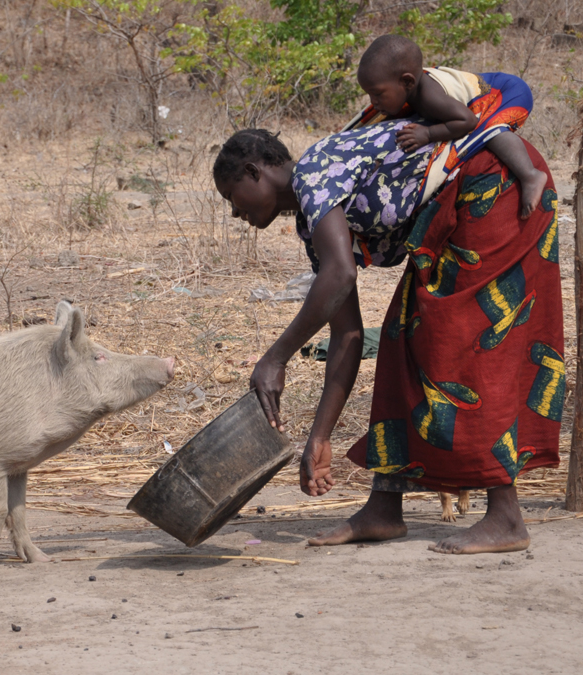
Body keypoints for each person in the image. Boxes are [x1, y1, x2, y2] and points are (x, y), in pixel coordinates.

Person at [213, 123, 563, 554]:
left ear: (253, 172)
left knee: (466, 343)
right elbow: (348, 334)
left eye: (232, 197)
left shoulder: (314, 175)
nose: (234, 212)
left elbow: (340, 273)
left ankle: (506, 516)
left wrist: (276, 357)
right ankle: (384, 508)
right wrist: (319, 437)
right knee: (400, 340)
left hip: (496, 182)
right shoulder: (314, 219)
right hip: (460, 205)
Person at [356, 34, 547, 219]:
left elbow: (467, 121)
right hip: (495, 90)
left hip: (508, 93)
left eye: (378, 94)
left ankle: (530, 175)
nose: (374, 102)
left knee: (489, 131)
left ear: (407, 82)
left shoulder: (428, 97)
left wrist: (428, 133)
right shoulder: (413, 91)